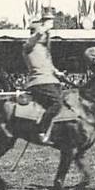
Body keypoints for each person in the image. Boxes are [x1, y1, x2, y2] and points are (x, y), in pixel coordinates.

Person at [22, 13, 68, 144]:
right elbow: (35, 36)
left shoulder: (44, 50)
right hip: (39, 82)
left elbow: (49, 66)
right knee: (56, 104)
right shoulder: (29, 45)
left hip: (51, 81)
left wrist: (58, 73)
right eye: (42, 33)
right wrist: (46, 25)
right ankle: (40, 131)